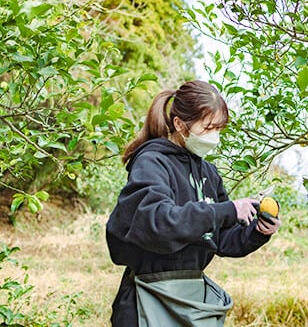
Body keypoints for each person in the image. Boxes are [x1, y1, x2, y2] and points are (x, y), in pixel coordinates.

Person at [106, 80, 280, 327]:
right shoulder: (152, 163)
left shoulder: (208, 172)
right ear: (180, 125)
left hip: (190, 298)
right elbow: (159, 221)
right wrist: (227, 210)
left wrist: (256, 232)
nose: (214, 136)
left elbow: (220, 239)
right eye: (208, 127)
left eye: (219, 128)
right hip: (148, 298)